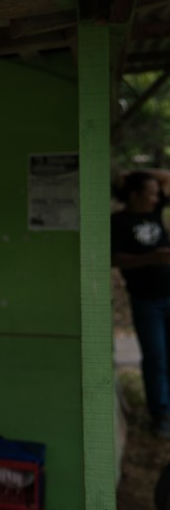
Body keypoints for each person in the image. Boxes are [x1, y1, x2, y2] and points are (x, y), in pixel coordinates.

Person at [112, 169, 170, 438]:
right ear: (134, 196)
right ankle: (160, 414)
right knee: (156, 357)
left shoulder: (155, 213)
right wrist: (152, 258)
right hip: (147, 300)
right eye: (151, 193)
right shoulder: (120, 221)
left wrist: (137, 173)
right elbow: (116, 259)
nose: (156, 198)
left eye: (157, 194)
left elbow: (167, 177)